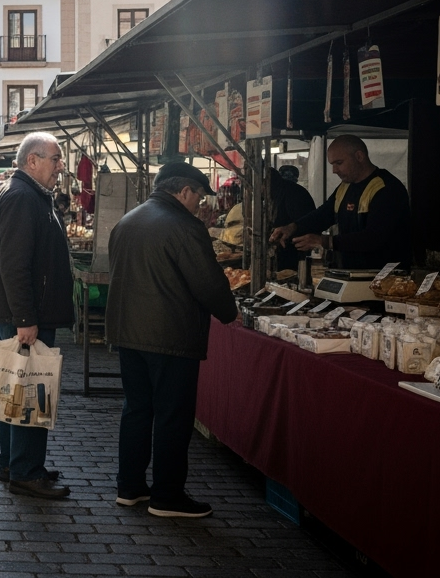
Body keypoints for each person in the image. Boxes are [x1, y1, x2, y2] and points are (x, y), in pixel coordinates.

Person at [106, 162, 239, 518]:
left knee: (136, 409)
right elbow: (209, 283)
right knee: (172, 416)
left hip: (128, 333)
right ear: (184, 192)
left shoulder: (128, 220)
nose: (200, 204)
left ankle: (130, 487)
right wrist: (230, 312)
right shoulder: (185, 227)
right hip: (170, 336)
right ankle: (167, 495)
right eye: (198, 195)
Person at [0, 132, 73, 500]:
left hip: (20, 311)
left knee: (14, 389)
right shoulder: (21, 196)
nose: (60, 166)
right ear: (31, 161)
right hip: (23, 314)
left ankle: (15, 463)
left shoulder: (25, 193)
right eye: (55, 159)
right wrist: (24, 318)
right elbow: (15, 265)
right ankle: (24, 470)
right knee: (30, 389)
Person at [269, 135, 411, 269]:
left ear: (359, 156)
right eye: (332, 164)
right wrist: (293, 227)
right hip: (351, 274)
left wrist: (325, 241)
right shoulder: (345, 186)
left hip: (385, 277)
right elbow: (324, 214)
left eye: (339, 163)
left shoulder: (386, 188)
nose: (334, 170)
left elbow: (374, 237)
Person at [268, 167, 316, 270]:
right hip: (285, 252)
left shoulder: (293, 193)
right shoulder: (278, 193)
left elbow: (305, 225)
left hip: (296, 254)